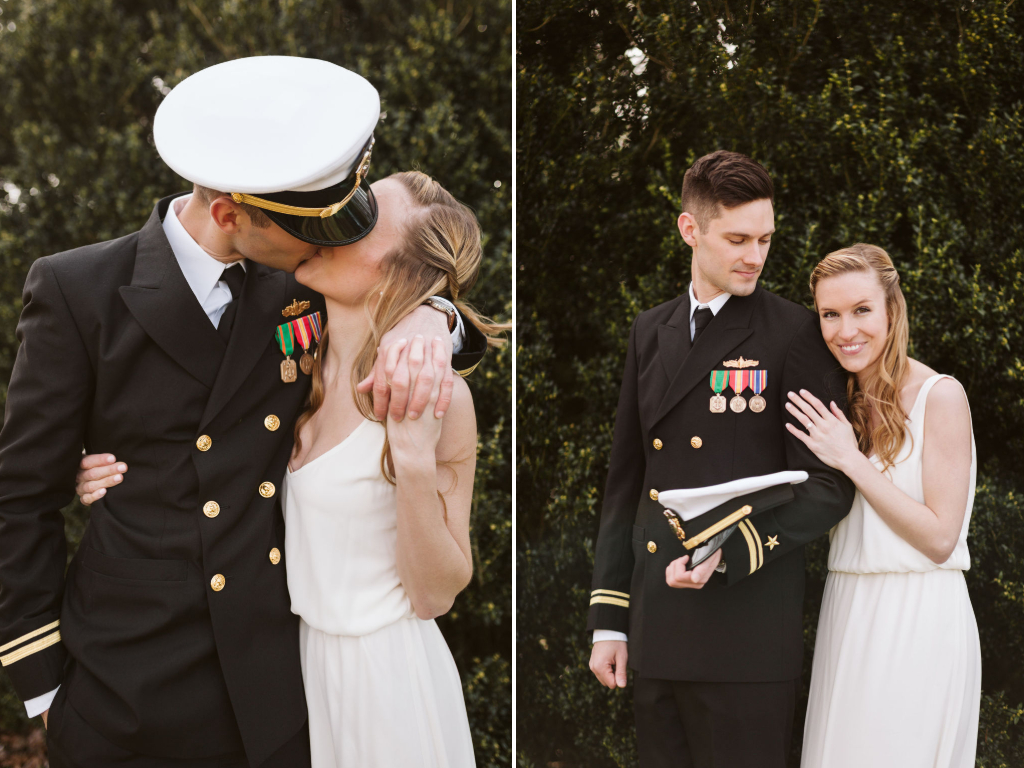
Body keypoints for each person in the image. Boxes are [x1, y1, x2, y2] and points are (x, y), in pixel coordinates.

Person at [0, 56, 487, 768]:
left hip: (275, 691)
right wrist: (43, 689)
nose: (331, 241)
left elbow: (410, 282)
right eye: (314, 228)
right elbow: (19, 497)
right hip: (125, 690)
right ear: (230, 214)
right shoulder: (81, 291)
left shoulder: (295, 283)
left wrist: (431, 322)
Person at [586, 150, 855, 768]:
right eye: (738, 239)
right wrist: (610, 620)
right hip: (657, 632)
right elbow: (627, 482)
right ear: (691, 230)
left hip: (747, 640)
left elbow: (827, 486)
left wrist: (727, 553)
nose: (756, 256)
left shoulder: (794, 333)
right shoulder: (648, 331)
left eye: (765, 239)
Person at [285, 169, 502, 766]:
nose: (334, 222)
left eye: (361, 218)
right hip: (294, 677)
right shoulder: (290, 363)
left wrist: (410, 459)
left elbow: (435, 593)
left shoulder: (441, 399)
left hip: (387, 686)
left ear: (405, 268)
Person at [791, 244, 980, 768]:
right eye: (830, 315)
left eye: (861, 310)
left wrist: (852, 461)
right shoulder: (836, 401)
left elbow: (941, 539)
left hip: (918, 618)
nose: (845, 330)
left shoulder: (940, 396)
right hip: (847, 610)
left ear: (892, 310)